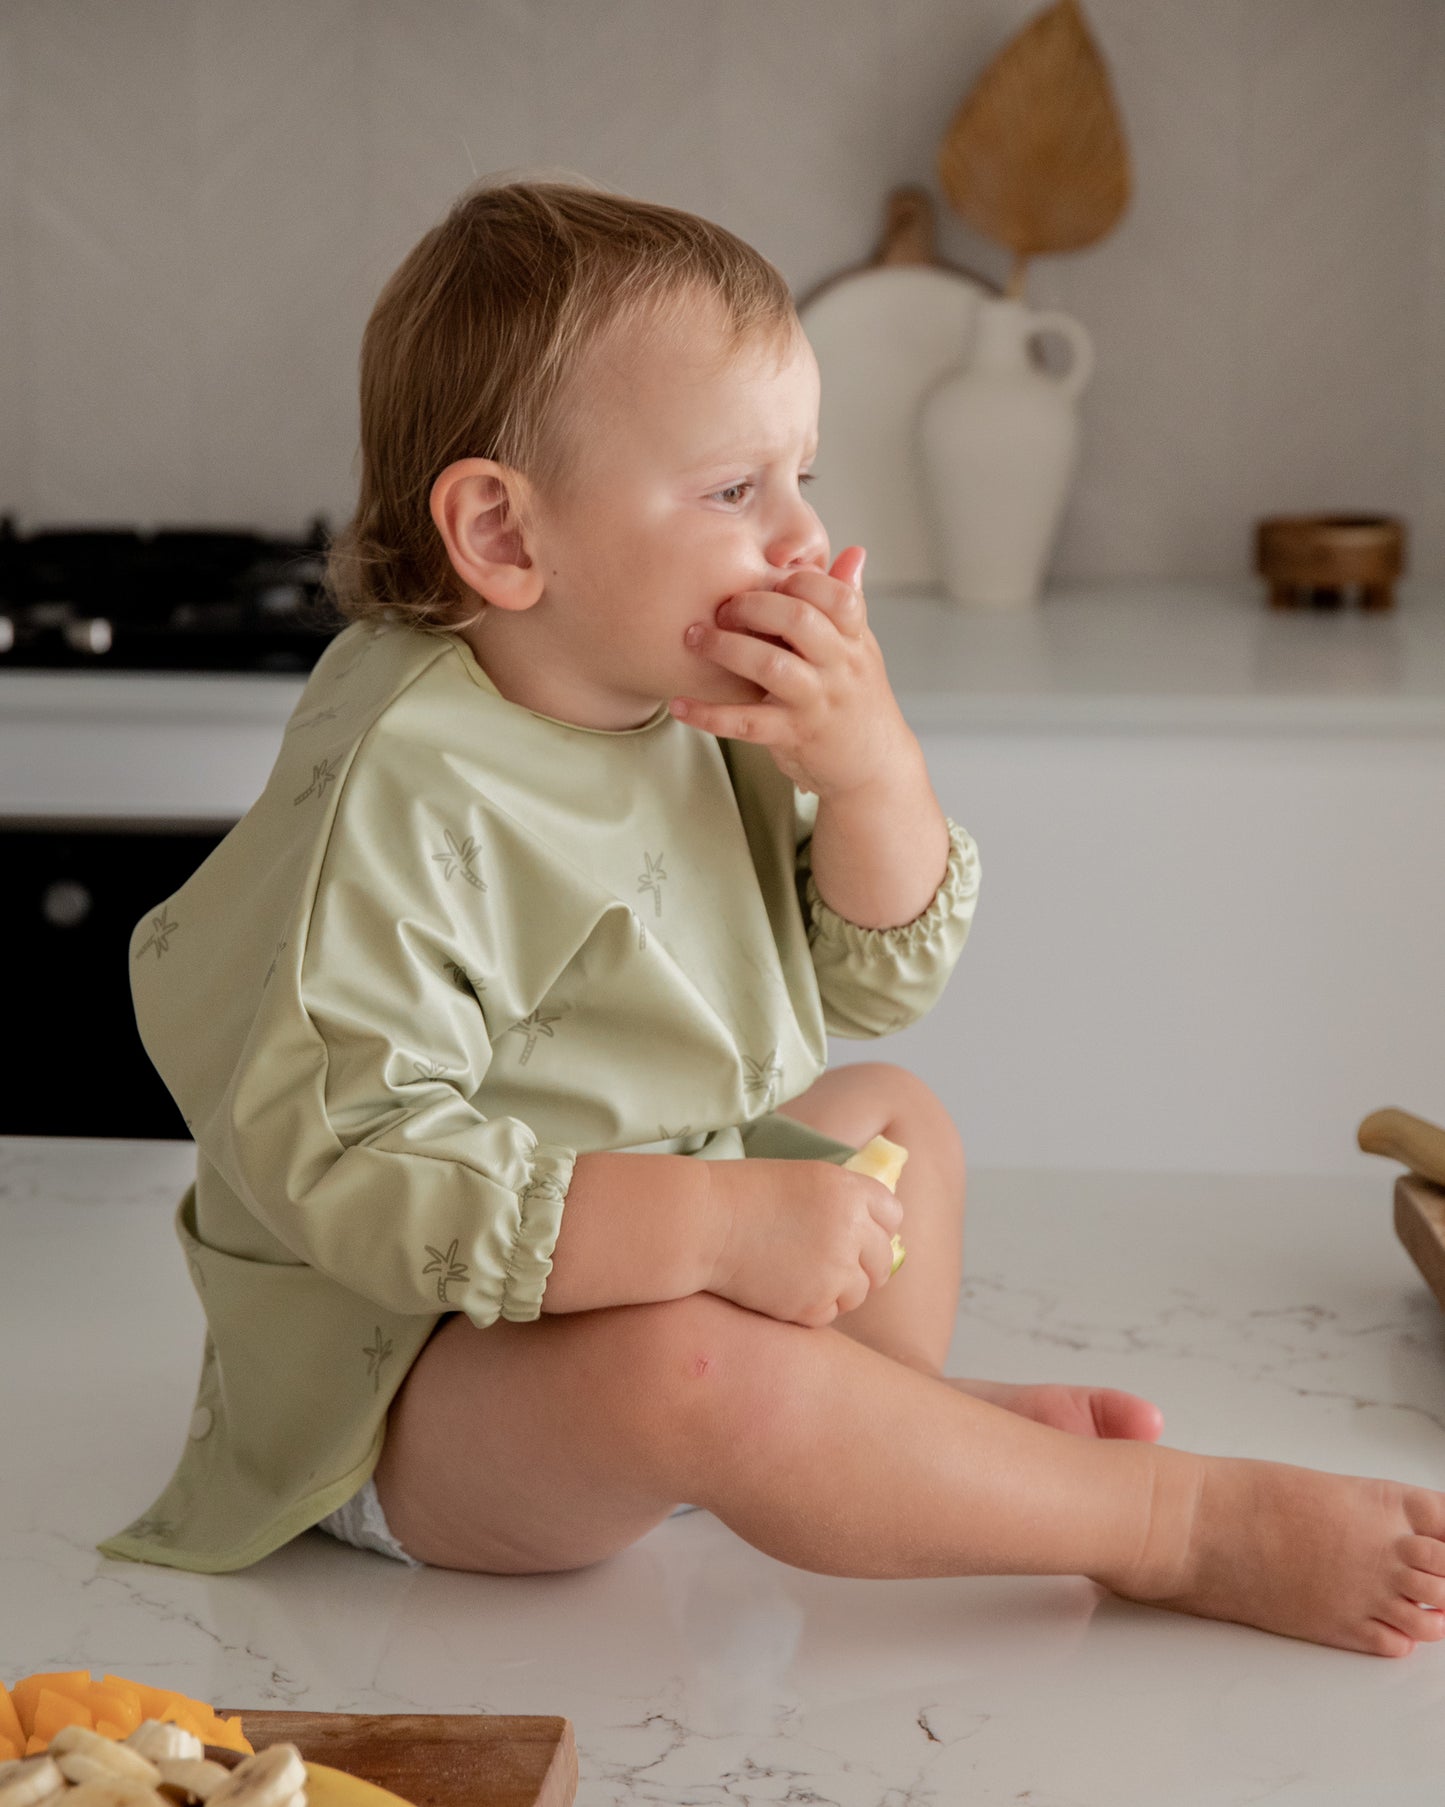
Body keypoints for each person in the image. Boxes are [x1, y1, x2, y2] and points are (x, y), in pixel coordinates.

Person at [101, 177, 1445, 1661]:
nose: (802, 539)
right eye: (735, 491)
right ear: (501, 533)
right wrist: (715, 1224)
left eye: (802, 476)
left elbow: (870, 982)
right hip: (419, 1383)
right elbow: (354, 1173)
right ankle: (1161, 1525)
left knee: (897, 1120)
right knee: (693, 1372)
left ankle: (899, 1442)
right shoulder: (408, 789)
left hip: (642, 1239)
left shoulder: (664, 687)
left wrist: (868, 769)